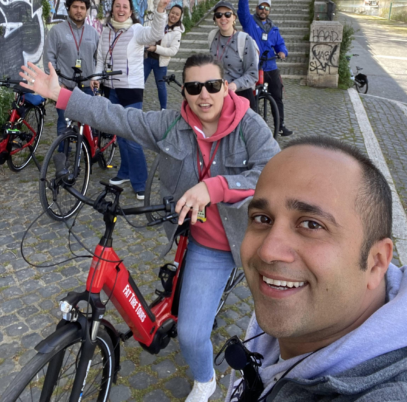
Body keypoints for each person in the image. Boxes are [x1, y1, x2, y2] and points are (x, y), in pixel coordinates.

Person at [21, 53, 280, 402]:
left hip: (250, 235)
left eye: (212, 86)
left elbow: (273, 172)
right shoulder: (173, 123)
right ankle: (206, 381)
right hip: (208, 243)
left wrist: (214, 188)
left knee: (278, 313)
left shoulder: (250, 126)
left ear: (226, 87)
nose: (204, 95)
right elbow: (121, 118)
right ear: (184, 92)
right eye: (194, 87)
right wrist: (61, 95)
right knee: (190, 334)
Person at [226, 136, 407, 401]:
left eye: (311, 225)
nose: (268, 251)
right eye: (262, 219)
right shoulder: (307, 314)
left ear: (376, 261)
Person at [90, 0, 171, 200]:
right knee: (120, 135)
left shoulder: (136, 31)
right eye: (117, 6)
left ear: (130, 11)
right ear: (112, 9)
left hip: (131, 89)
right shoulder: (105, 30)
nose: (121, 10)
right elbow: (100, 57)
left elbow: (154, 34)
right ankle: (125, 172)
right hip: (110, 89)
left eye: (125, 7)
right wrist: (97, 77)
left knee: (133, 137)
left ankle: (140, 181)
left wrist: (160, 9)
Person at [238, 0, 293, 136]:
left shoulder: (274, 29)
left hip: (270, 66)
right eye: (261, 7)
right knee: (250, 97)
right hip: (253, 66)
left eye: (266, 8)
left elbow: (280, 44)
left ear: (269, 10)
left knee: (277, 96)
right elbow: (241, 11)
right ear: (257, 9)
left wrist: (283, 52)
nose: (263, 10)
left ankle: (280, 125)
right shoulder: (249, 22)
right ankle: (250, 127)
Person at [43, 0, 99, 137]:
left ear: (87, 10)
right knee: (64, 122)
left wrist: (96, 78)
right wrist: (57, 82)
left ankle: (88, 155)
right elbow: (49, 58)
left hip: (87, 87)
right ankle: (63, 155)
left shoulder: (93, 33)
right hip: (65, 86)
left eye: (82, 8)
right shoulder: (56, 31)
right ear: (68, 8)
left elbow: (99, 58)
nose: (79, 11)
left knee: (88, 123)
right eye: (75, 7)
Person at [208, 0, 258, 110]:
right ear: (215, 19)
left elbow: (252, 74)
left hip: (241, 96)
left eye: (227, 14)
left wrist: (234, 85)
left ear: (234, 17)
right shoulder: (212, 37)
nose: (223, 18)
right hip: (218, 96)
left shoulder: (245, 40)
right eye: (218, 15)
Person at [144, 0, 183, 109]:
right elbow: (157, 3)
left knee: (161, 86)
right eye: (172, 12)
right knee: (139, 82)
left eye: (177, 15)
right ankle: (135, 105)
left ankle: (163, 109)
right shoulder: (162, 19)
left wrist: (156, 48)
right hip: (148, 57)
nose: (173, 16)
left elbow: (173, 51)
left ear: (179, 17)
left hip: (160, 62)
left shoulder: (177, 33)